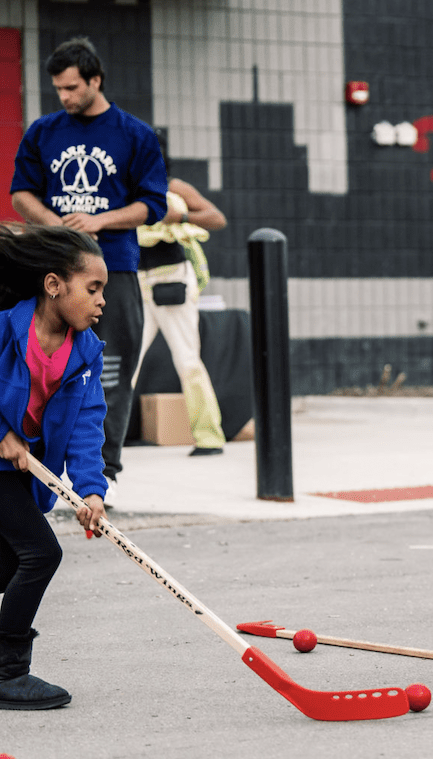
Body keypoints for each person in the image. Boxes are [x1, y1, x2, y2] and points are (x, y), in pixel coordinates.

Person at [10, 37, 168, 493]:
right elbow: (21, 193)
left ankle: (103, 476)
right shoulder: (44, 131)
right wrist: (59, 228)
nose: (64, 97)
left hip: (112, 268)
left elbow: (152, 204)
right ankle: (34, 473)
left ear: (95, 80)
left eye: (73, 87)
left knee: (110, 369)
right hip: (50, 269)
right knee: (34, 365)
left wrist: (98, 220)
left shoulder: (134, 134)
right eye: (58, 88)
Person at [0, 224, 109, 709]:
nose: (102, 301)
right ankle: (8, 672)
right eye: (93, 288)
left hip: (23, 475)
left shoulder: (86, 354)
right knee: (41, 554)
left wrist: (91, 492)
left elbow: (88, 426)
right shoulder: (4, 328)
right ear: (53, 285)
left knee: (6, 563)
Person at [132, 137, 227, 457]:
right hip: (135, 285)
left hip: (171, 281)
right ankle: (107, 441)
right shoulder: (124, 193)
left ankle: (209, 437)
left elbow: (217, 218)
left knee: (187, 361)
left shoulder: (174, 188)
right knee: (123, 365)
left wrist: (180, 217)